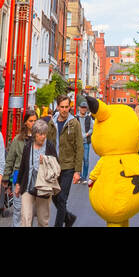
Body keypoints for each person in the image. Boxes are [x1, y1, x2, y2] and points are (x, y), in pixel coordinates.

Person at [15, 119, 60, 226]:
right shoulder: (28, 146)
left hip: (44, 187)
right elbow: (23, 166)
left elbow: (56, 166)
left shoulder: (49, 146)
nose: (43, 137)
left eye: (44, 134)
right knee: (26, 218)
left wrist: (46, 160)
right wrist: (18, 184)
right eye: (40, 134)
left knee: (43, 220)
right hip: (27, 185)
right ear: (35, 134)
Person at [50, 96, 82, 227]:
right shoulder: (52, 123)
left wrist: (77, 171)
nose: (64, 110)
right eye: (61, 107)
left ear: (70, 107)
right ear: (57, 107)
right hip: (53, 166)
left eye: (66, 107)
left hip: (68, 166)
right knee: (54, 197)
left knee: (62, 198)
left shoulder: (74, 123)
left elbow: (79, 147)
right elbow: (48, 143)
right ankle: (68, 218)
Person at [4, 109, 39, 227]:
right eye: (30, 121)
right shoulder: (18, 139)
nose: (33, 123)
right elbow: (10, 159)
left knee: (30, 211)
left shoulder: (40, 139)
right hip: (19, 177)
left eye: (35, 121)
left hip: (35, 177)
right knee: (18, 209)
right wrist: (6, 178)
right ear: (25, 122)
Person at [75, 101, 95, 175]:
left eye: (85, 108)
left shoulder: (88, 118)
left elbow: (92, 129)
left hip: (86, 142)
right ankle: (78, 175)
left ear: (86, 109)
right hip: (77, 142)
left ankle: (84, 176)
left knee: (85, 159)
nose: (83, 109)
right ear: (79, 108)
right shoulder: (75, 118)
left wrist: (86, 134)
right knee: (78, 160)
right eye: (82, 108)